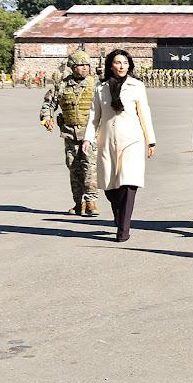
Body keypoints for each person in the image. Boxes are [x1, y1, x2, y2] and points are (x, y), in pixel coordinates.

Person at [82, 49, 156, 243]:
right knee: (109, 186)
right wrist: (87, 139)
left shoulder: (137, 86)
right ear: (110, 65)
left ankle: (123, 229)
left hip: (132, 140)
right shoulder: (100, 87)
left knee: (128, 182)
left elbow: (144, 114)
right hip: (106, 140)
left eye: (125, 62)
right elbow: (93, 116)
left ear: (129, 65)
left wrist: (151, 140)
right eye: (117, 62)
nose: (122, 66)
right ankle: (119, 214)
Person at [40, 50, 99, 216]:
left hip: (90, 133)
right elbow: (48, 105)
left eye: (87, 65)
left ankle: (91, 201)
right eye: (81, 65)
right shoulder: (61, 85)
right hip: (69, 134)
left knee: (90, 167)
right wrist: (46, 119)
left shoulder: (96, 84)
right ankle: (78, 202)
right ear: (72, 67)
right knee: (74, 168)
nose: (85, 68)